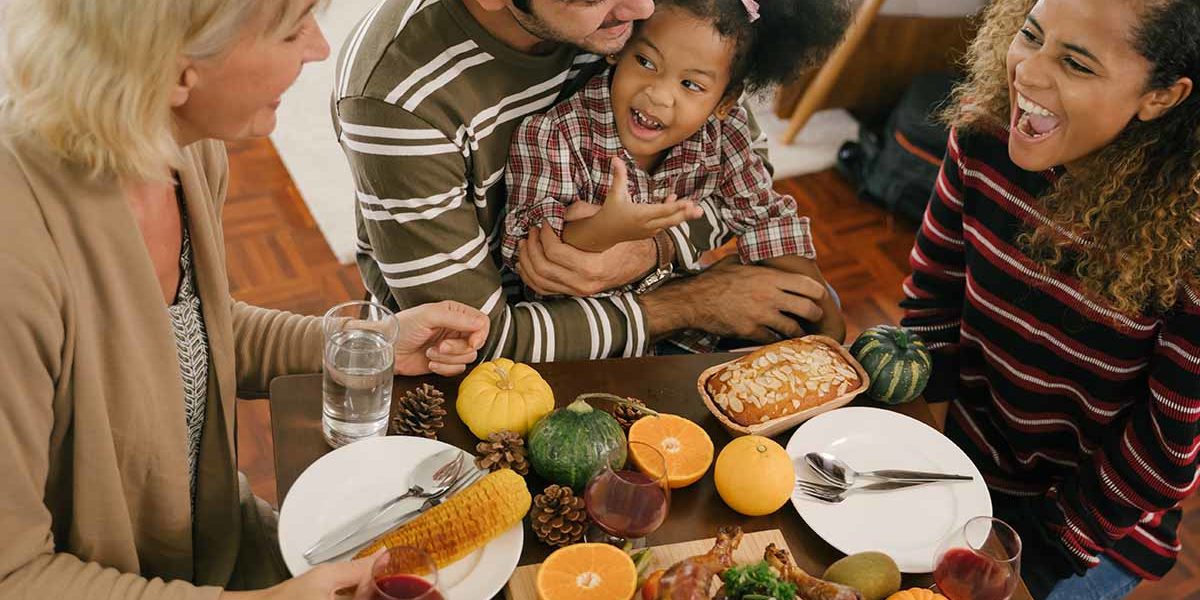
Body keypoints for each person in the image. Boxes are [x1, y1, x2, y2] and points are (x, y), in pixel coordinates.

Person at [0, 1, 489, 599]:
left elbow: (188, 333)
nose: (320, 49)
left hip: (216, 543)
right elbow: (14, 574)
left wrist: (364, 344)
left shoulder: (182, 148)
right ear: (175, 70)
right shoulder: (16, 261)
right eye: (291, 29)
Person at [335, 0, 841, 363]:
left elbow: (741, 166)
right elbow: (480, 339)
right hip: (508, 354)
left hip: (649, 313)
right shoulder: (396, 102)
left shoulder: (643, 19)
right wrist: (692, 302)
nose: (643, 8)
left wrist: (655, 245)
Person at [899, 0, 1200, 597]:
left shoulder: (1187, 241)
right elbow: (933, 297)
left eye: (1077, 64)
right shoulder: (981, 136)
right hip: (960, 460)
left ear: (1161, 96)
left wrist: (1045, 550)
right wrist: (908, 426)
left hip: (1087, 529)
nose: (1027, 74)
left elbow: (1165, 451)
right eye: (1030, 36)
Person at [499, 0, 849, 344]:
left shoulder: (725, 131)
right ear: (619, 50)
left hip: (677, 320)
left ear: (725, 101)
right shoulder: (554, 133)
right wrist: (609, 228)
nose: (659, 95)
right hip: (583, 339)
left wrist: (832, 330)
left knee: (820, 299)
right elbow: (533, 254)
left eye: (691, 85)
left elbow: (767, 219)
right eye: (646, 61)